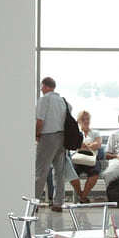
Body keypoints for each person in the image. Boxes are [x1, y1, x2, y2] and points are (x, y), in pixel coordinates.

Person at [33, 76, 72, 211]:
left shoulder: (44, 100)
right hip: (62, 138)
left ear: (45, 86)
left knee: (40, 171)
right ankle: (58, 203)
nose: (41, 89)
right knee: (59, 172)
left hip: (48, 137)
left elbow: (40, 120)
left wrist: (36, 135)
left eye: (41, 87)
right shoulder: (63, 101)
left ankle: (34, 203)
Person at [70, 110, 104, 204]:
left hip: (91, 158)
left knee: (95, 173)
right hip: (78, 158)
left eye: (87, 119)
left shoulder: (95, 133)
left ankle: (83, 196)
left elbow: (98, 144)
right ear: (79, 121)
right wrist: (90, 145)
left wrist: (84, 145)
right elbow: (74, 145)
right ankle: (82, 196)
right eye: (83, 119)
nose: (86, 121)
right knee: (71, 173)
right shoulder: (76, 133)